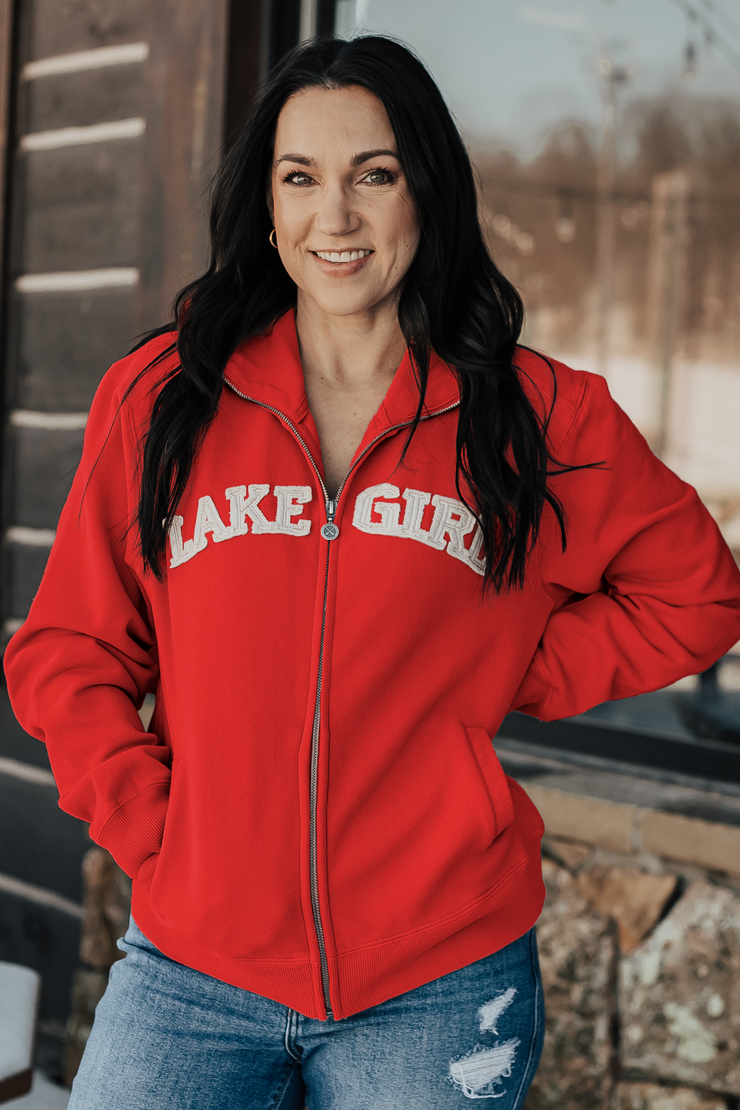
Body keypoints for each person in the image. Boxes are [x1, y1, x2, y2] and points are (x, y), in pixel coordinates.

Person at [5, 34, 740, 1110]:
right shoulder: (165, 396)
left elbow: (696, 597)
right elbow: (68, 647)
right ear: (266, 206)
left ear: (425, 193)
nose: (333, 217)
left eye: (373, 175)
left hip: (436, 981)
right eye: (299, 178)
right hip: (191, 969)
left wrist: (504, 663)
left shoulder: (534, 415)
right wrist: (147, 823)